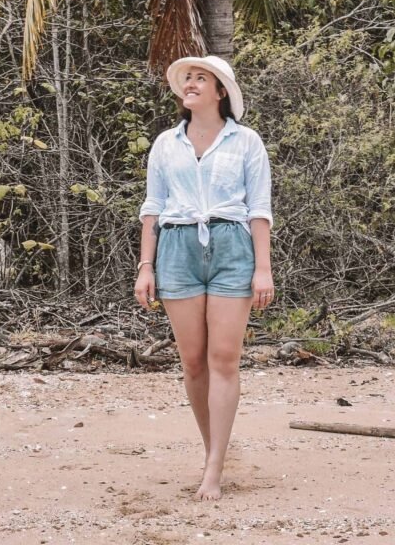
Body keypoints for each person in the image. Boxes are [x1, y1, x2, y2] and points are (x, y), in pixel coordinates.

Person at [134, 54, 274, 501]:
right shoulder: (165, 143)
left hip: (232, 245)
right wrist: (146, 266)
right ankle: (213, 448)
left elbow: (259, 209)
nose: (190, 84)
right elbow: (152, 208)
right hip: (176, 247)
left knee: (224, 359)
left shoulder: (246, 141)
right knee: (192, 361)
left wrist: (263, 268)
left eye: (200, 78)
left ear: (220, 92)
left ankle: (214, 469)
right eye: (187, 79)